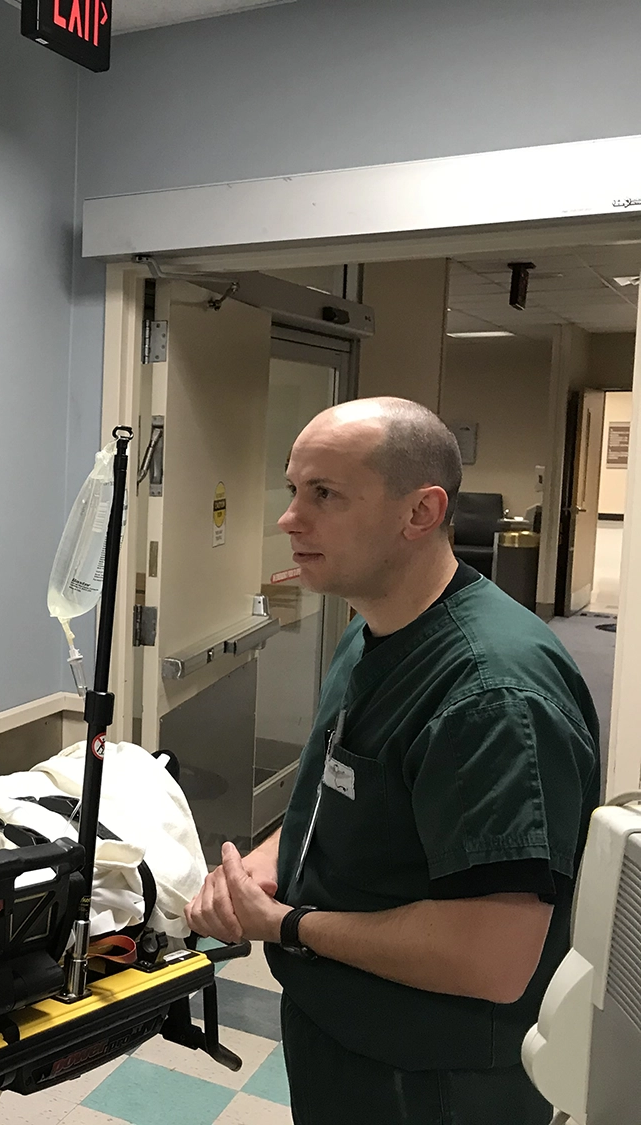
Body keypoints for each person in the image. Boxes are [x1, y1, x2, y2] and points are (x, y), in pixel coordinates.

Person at [184, 397, 599, 1125]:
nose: (289, 518)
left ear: (420, 512)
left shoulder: (490, 693)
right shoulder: (371, 629)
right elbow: (345, 791)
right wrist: (264, 866)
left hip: (437, 1075)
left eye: (324, 494)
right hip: (347, 1036)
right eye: (292, 489)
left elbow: (493, 957)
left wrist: (285, 922)